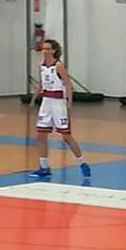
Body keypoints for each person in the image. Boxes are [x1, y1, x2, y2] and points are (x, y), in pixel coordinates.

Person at [27, 40, 91, 179]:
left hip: (58, 103)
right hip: (46, 102)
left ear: (53, 51)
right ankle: (44, 167)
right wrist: (33, 99)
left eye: (47, 48)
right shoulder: (41, 66)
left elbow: (68, 84)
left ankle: (82, 163)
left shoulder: (58, 66)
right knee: (40, 135)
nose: (44, 51)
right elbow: (40, 84)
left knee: (66, 136)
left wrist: (69, 102)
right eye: (43, 48)